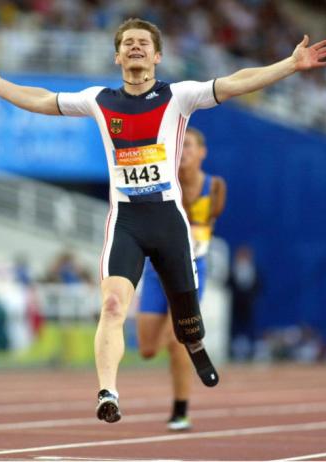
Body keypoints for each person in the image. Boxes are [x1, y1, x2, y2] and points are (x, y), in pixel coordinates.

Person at [0, 17, 326, 423]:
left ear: (158, 55)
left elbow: (235, 82)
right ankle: (107, 392)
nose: (136, 47)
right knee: (111, 304)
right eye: (128, 43)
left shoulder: (179, 96)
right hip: (125, 220)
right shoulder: (99, 100)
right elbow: (43, 99)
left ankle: (195, 344)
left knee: (186, 321)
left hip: (168, 221)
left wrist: (289, 64)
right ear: (117, 55)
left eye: (144, 42)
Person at [136, 127, 226, 431]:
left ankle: (180, 410)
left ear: (202, 152)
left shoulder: (215, 186)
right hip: (154, 270)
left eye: (188, 146)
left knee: (178, 342)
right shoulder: (162, 183)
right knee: (147, 349)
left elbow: (207, 225)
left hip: (191, 269)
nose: (183, 152)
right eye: (179, 147)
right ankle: (186, 336)